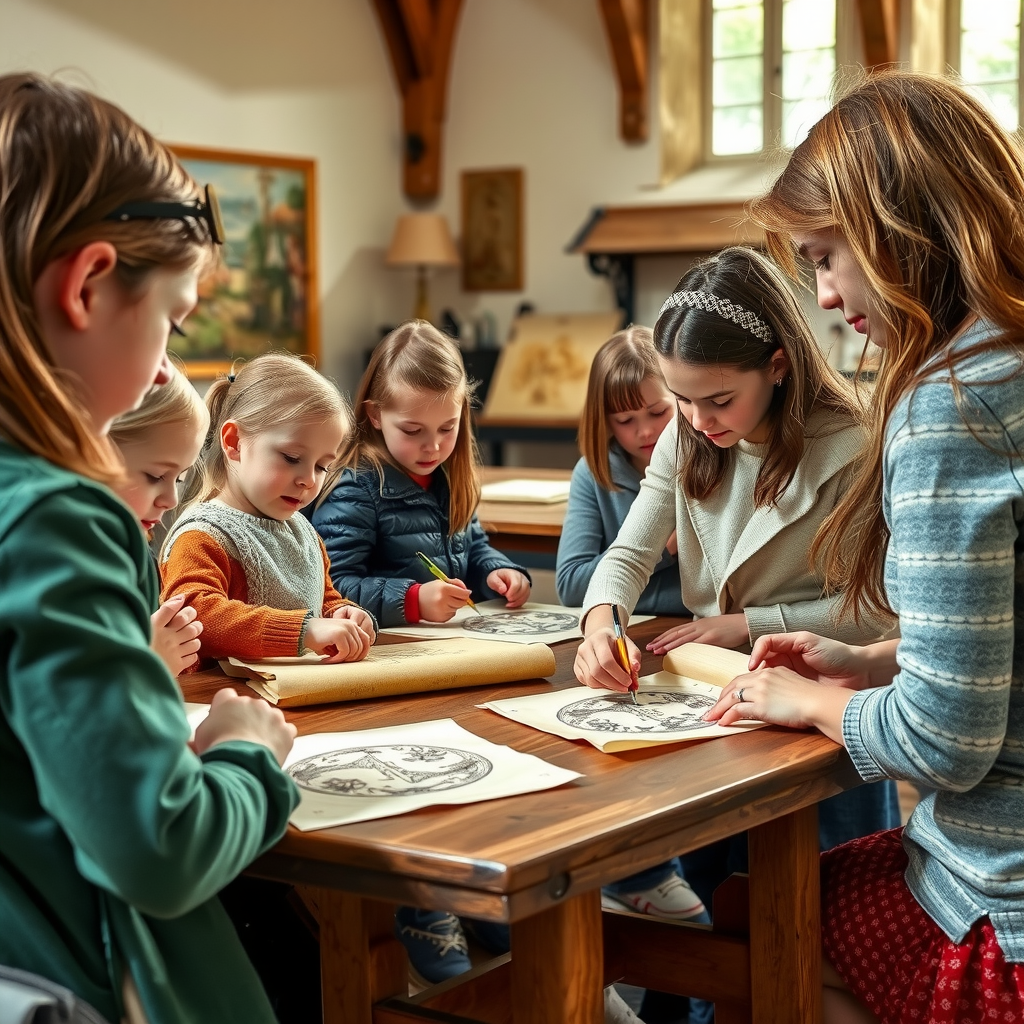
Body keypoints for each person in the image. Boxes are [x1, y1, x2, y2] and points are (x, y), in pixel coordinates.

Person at [705, 70, 1024, 1024]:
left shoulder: (954, 405)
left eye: (826, 256)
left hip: (1002, 915)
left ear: (897, 229)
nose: (825, 293)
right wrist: (878, 659)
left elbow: (943, 743)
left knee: (751, 924)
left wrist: (805, 699)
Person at [0, 72, 300, 1024]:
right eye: (172, 320)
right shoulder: (55, 514)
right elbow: (159, 847)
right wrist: (247, 756)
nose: (168, 365)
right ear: (88, 285)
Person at [573, 247, 899, 954]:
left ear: (778, 365)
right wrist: (601, 622)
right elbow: (627, 554)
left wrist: (748, 623)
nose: (696, 420)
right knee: (715, 907)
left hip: (822, 707)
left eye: (719, 400)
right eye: (681, 399)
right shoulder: (687, 436)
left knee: (817, 928)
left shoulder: (853, 439)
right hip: (717, 705)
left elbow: (879, 610)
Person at [312, 320, 531, 986]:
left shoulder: (449, 476)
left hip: (453, 661)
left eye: (448, 428)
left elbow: (471, 545)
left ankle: (468, 894)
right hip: (386, 671)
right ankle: (420, 906)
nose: (433, 445)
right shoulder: (357, 485)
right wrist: (411, 600)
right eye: (413, 431)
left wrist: (499, 571)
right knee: (418, 788)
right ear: (374, 416)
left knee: (476, 779)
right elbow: (330, 585)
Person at [557, 328, 706, 932]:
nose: (644, 432)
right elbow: (574, 581)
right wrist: (659, 550)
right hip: (631, 639)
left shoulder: (707, 449)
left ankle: (663, 873)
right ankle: (637, 875)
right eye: (625, 421)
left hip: (698, 639)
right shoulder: (594, 474)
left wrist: (648, 569)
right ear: (603, 424)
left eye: (657, 412)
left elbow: (717, 585)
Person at [160, 351, 376, 667]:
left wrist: (342, 613)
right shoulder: (201, 536)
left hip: (299, 691)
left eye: (322, 466)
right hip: (222, 693)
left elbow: (322, 598)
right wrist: (305, 630)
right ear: (234, 442)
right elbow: (195, 615)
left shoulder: (304, 532)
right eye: (292, 458)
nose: (308, 480)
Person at [110, 361, 208, 676]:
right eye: (156, 476)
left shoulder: (139, 554)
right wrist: (145, 662)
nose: (172, 500)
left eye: (179, 479)